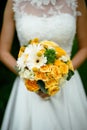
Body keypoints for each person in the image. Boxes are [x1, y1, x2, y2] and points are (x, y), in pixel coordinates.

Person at [0, 0, 87, 130]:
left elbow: (85, 47)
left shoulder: (76, 1)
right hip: (29, 87)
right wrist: (30, 77)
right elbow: (3, 51)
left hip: (67, 84)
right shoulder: (14, 2)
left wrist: (62, 75)